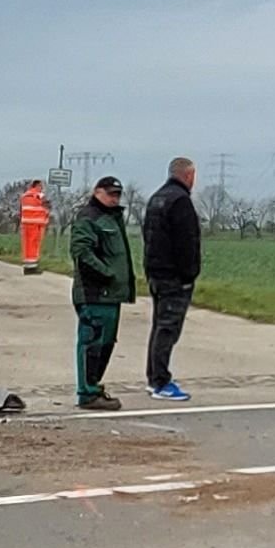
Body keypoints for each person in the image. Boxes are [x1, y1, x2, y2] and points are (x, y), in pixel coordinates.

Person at [70, 173, 135, 409]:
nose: (114, 199)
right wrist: (106, 273)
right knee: (92, 343)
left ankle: (94, 387)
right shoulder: (89, 218)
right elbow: (81, 252)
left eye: (117, 194)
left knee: (106, 344)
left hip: (112, 295)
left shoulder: (112, 218)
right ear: (97, 193)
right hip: (94, 293)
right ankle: (87, 393)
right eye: (110, 194)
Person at [140, 157, 202, 400]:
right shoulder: (180, 201)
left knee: (159, 326)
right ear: (188, 175)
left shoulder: (157, 198)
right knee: (168, 329)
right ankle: (160, 381)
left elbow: (149, 236)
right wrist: (189, 275)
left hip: (156, 272)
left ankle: (153, 376)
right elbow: (187, 242)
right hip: (175, 277)